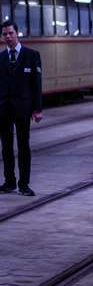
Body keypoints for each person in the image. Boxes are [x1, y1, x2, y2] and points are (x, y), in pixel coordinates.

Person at [0, 20, 43, 196]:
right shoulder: (1, 58)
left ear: (18, 33)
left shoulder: (31, 55)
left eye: (10, 33)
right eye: (4, 34)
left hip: (24, 108)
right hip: (4, 109)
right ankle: (9, 181)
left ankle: (23, 183)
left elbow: (36, 84)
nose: (8, 37)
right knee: (6, 147)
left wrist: (37, 108)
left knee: (23, 146)